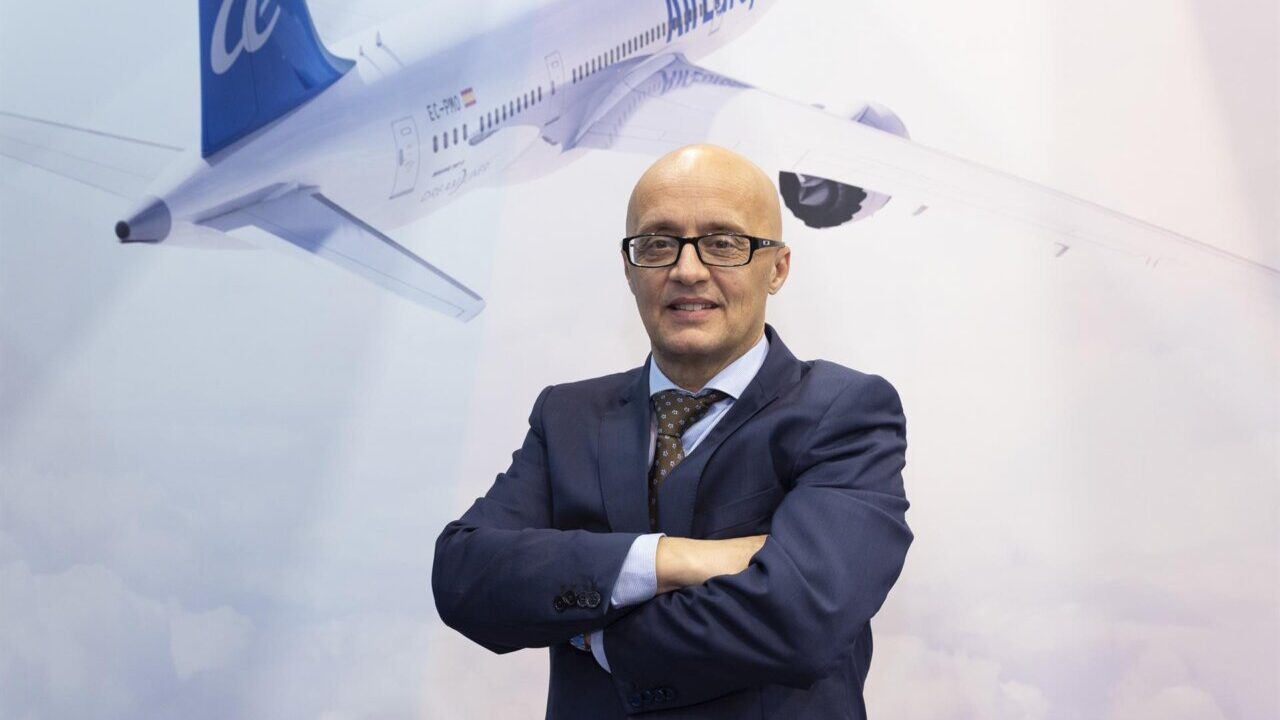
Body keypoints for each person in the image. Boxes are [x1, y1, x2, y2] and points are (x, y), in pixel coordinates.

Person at [432, 144, 912, 719]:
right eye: (658, 243)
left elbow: (801, 617)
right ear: (629, 267)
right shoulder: (567, 416)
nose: (687, 270)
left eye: (724, 242)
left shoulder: (845, 412)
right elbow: (466, 575)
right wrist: (671, 560)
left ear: (778, 268)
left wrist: (597, 637)